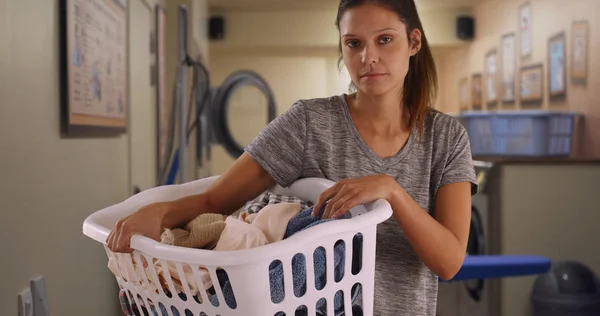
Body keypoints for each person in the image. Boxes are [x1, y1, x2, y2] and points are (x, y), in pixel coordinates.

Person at [107, 0, 478, 315]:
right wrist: (158, 212)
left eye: (385, 40)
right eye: (353, 43)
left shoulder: (446, 138)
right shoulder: (308, 123)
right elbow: (216, 200)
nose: (368, 57)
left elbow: (448, 262)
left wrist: (391, 191)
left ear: (413, 42)